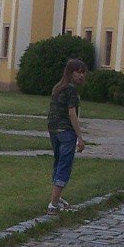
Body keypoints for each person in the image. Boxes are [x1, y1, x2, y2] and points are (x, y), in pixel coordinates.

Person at [45, 57, 88, 213]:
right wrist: (80, 137)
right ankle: (53, 204)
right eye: (78, 72)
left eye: (83, 73)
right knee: (65, 165)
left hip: (53, 129)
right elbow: (72, 114)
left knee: (58, 162)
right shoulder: (71, 89)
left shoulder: (58, 87)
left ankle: (57, 197)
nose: (81, 76)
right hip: (66, 131)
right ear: (70, 73)